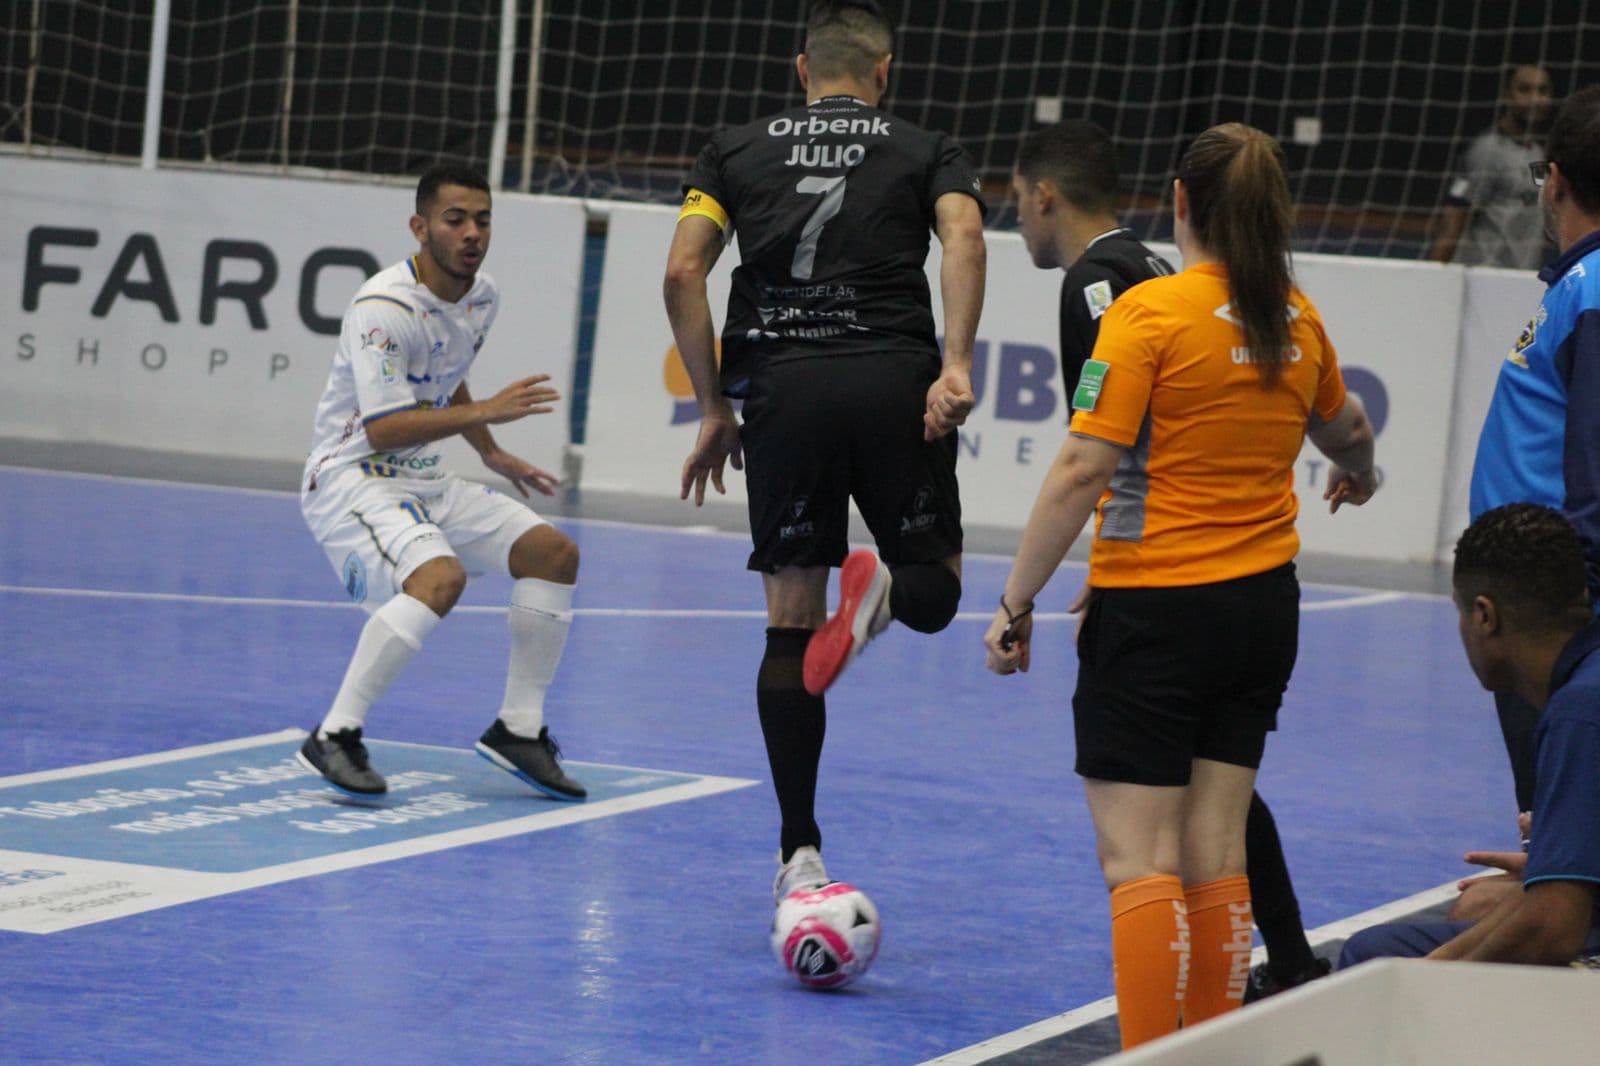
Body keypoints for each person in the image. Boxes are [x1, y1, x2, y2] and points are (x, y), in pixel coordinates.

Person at [983, 123, 1378, 1049]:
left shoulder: (1149, 315)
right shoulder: (1294, 315)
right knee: (1216, 851)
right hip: (1262, 611)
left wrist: (1014, 602)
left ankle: (1152, 1056)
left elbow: (1084, 466)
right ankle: (1211, 1051)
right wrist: (1361, 472)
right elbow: (1349, 427)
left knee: (1141, 861)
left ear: (1180, 202)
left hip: (1157, 605)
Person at [662, 0, 986, 911]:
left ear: (802, 70)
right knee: (937, 591)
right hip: (893, 385)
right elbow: (964, 236)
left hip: (787, 393)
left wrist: (714, 406)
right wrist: (956, 364)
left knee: (790, 622)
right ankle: (883, 598)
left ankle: (799, 852)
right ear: (883, 74)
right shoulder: (927, 147)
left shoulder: (731, 150)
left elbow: (682, 271)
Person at [297, 162, 587, 802]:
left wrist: (491, 451)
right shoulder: (382, 309)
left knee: (553, 554)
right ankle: (335, 734)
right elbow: (383, 428)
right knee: (439, 580)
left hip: (422, 477)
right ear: (420, 227)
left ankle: (518, 730)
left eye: (482, 220)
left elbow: (444, 373)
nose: (471, 233)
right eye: (455, 220)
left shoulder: (481, 296)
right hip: (352, 479)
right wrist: (487, 413)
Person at [1338, 503, 1600, 968]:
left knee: (1373, 957)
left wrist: (1415, 981)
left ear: (1484, 616)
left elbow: (1552, 930)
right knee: (1475, 910)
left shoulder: (1579, 713)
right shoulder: (1586, 682)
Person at [1464, 83, 1600, 894]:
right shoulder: (1577, 285)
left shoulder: (1593, 291)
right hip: (1542, 603)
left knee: (1563, 856)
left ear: (1553, 181)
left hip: (1553, 611)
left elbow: (1594, 468)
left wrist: (1576, 614)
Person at [1429, 64, 1556, 269]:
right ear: (1507, 95)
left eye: (1542, 91)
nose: (1535, 98)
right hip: (1483, 274)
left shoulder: (1538, 155)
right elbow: (1455, 219)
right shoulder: (1487, 151)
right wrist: (1434, 275)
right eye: (1525, 89)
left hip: (1521, 277)